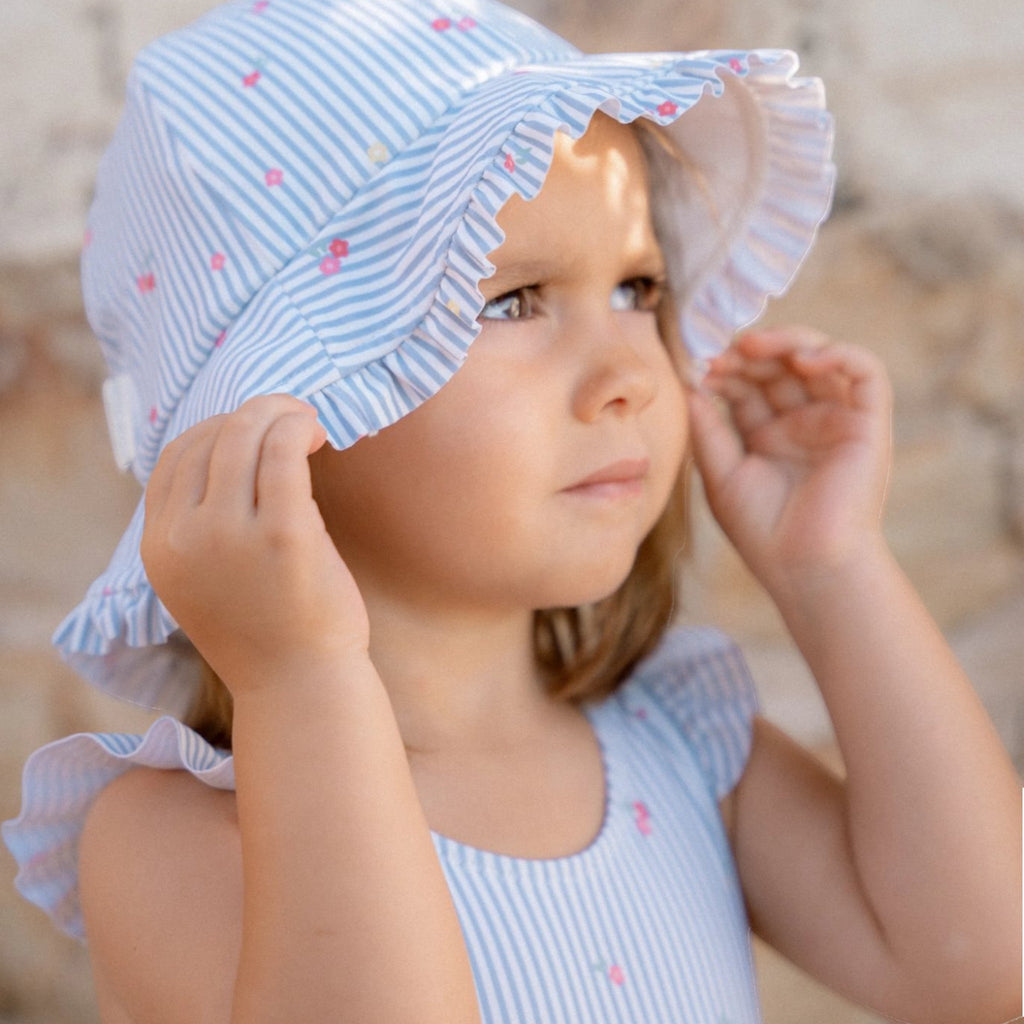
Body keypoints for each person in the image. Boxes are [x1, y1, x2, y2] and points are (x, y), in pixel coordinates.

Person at [4, 1, 1020, 1021]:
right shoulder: (177, 834)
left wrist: (830, 565)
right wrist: (300, 684)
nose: (629, 370)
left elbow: (981, 962)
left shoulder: (676, 737)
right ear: (274, 413)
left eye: (637, 288)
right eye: (510, 300)